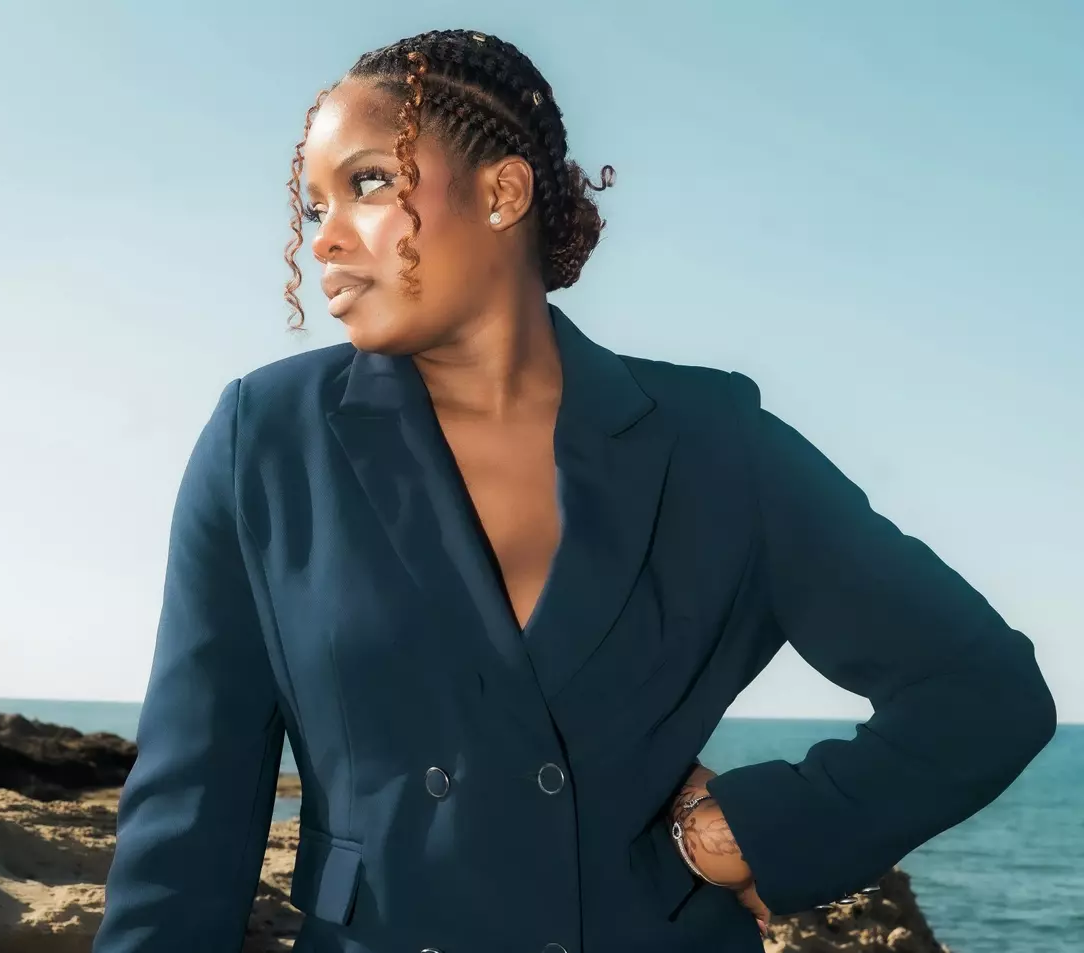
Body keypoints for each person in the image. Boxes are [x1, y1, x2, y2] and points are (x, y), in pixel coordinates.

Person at [92, 28, 1057, 953]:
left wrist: (751, 831)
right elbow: (192, 809)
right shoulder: (263, 440)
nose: (325, 241)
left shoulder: (715, 443)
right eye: (313, 209)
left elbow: (984, 693)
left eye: (369, 183)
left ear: (503, 190)